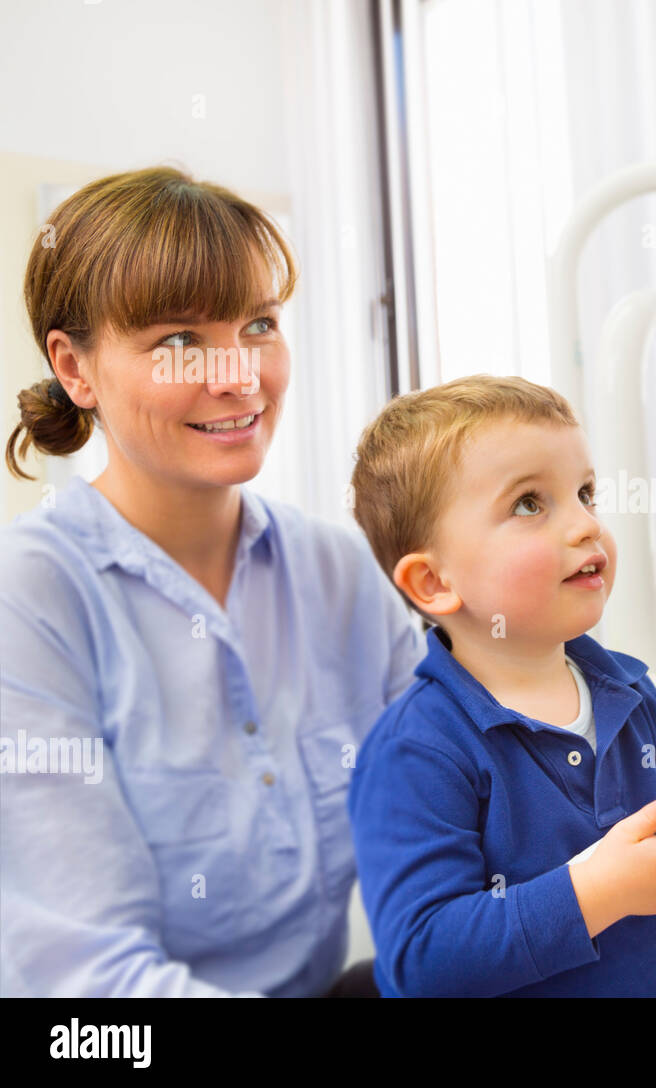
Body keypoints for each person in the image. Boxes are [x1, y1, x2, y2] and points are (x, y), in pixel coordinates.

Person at [0, 167, 422, 997]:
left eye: (259, 324)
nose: (240, 377)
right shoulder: (33, 597)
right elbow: (90, 984)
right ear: (75, 369)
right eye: (178, 342)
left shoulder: (335, 573)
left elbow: (461, 811)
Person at [346, 375, 656, 996]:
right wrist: (600, 889)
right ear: (433, 583)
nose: (585, 526)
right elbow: (425, 961)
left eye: (586, 493)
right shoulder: (418, 749)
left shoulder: (631, 694)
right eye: (530, 504)